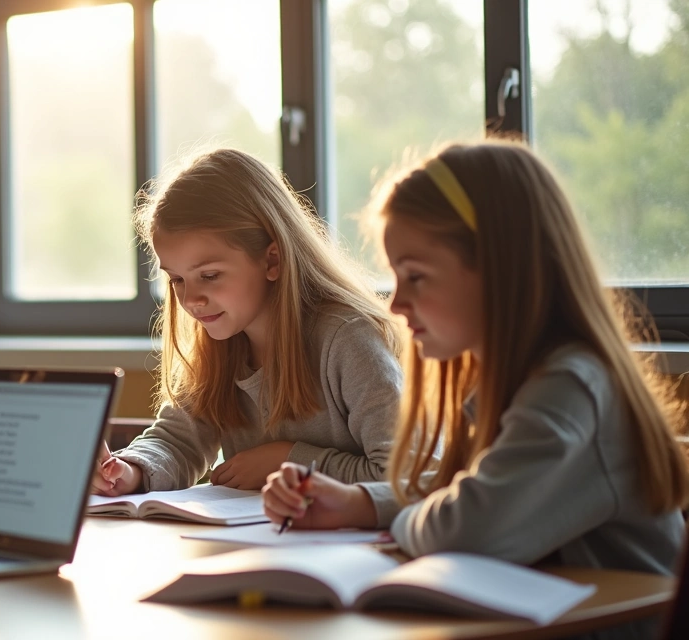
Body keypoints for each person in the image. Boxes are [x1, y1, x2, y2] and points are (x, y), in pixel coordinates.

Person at [263, 141, 687, 627]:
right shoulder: (514, 383)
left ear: (500, 266)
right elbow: (474, 497)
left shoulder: (571, 390)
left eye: (416, 276)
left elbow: (471, 530)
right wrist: (359, 504)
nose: (396, 305)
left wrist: (399, 521)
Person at [94, 148, 402, 495]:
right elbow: (178, 441)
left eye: (209, 275)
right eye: (177, 279)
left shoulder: (349, 340)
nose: (190, 300)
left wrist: (290, 462)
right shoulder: (217, 340)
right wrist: (130, 470)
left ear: (272, 260)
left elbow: (404, 475)